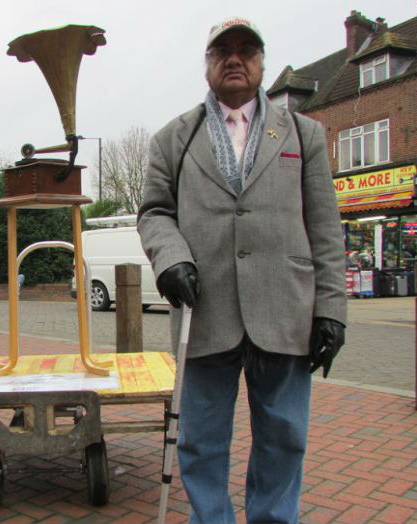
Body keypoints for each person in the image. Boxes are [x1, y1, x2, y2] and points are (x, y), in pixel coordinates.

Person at [137, 17, 347, 524]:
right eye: (222, 50)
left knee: (284, 440)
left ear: (261, 61)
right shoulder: (174, 138)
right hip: (204, 312)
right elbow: (154, 212)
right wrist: (171, 258)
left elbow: (324, 225)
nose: (235, 59)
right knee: (201, 442)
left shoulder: (303, 133)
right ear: (207, 63)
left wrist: (332, 311)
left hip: (286, 310)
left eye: (246, 50)